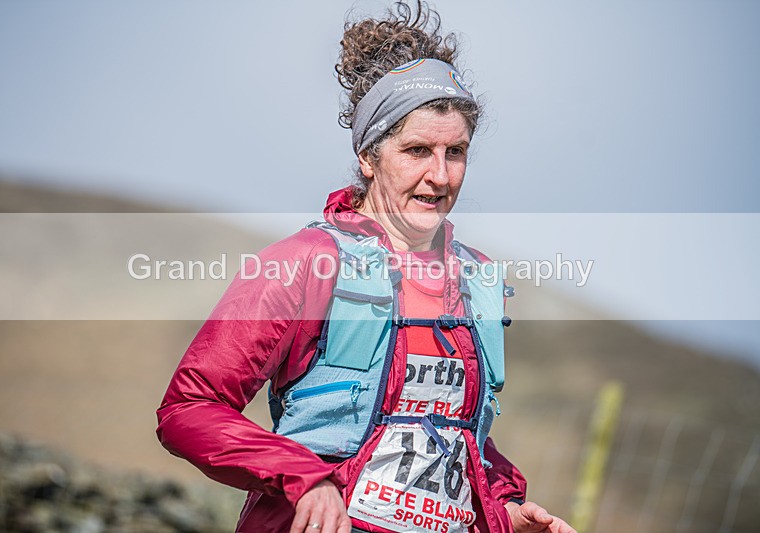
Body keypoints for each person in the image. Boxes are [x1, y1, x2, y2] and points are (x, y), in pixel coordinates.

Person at [157, 2, 575, 532]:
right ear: (368, 157)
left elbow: (445, 432)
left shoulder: (477, 280)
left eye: (456, 152)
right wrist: (302, 477)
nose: (440, 175)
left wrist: (503, 508)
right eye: (417, 150)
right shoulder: (305, 263)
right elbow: (190, 408)